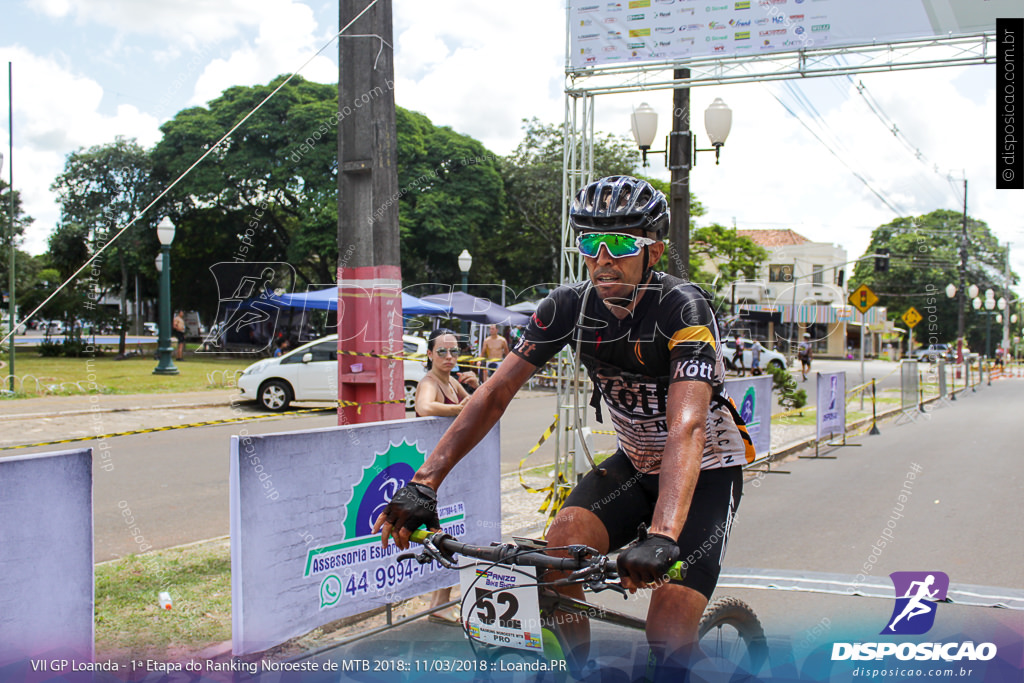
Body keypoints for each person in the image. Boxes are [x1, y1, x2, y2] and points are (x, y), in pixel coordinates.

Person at [373, 176, 753, 674]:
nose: (602, 259)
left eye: (619, 244)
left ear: (654, 252)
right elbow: (494, 393)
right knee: (562, 543)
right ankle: (576, 670)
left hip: (702, 472)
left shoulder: (683, 309)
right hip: (637, 465)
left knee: (668, 633)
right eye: (590, 244)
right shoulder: (569, 307)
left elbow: (687, 426)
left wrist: (662, 534)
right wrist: (425, 484)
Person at [413, 328, 471, 625]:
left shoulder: (452, 381)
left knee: (451, 530)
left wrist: (477, 386)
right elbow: (423, 407)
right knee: (442, 532)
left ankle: (440, 602)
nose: (449, 357)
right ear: (429, 355)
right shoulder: (430, 381)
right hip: (433, 473)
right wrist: (456, 409)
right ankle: (438, 603)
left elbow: (474, 407)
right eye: (442, 352)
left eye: (454, 352)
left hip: (447, 471)